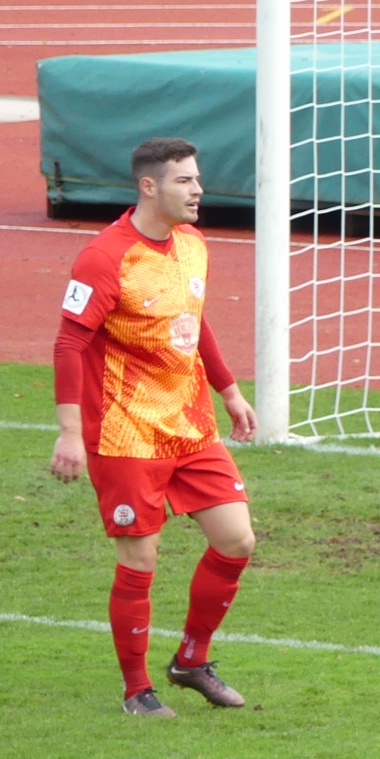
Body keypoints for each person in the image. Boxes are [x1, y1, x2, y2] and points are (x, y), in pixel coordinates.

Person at [49, 137, 260, 716]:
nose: (198, 191)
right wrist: (70, 431)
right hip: (125, 432)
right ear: (149, 186)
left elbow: (194, 320)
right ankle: (136, 690)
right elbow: (69, 343)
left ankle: (191, 661)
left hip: (189, 423)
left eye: (197, 179)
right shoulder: (104, 257)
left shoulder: (192, 243)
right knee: (140, 560)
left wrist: (229, 391)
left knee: (236, 540)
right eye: (184, 181)